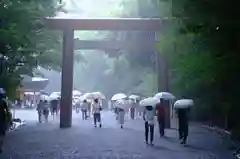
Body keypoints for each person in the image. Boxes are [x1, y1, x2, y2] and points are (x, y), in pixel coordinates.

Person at [0, 88, 10, 153]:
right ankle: (0, 147)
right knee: (2, 135)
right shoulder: (3, 102)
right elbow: (7, 111)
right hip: (1, 120)